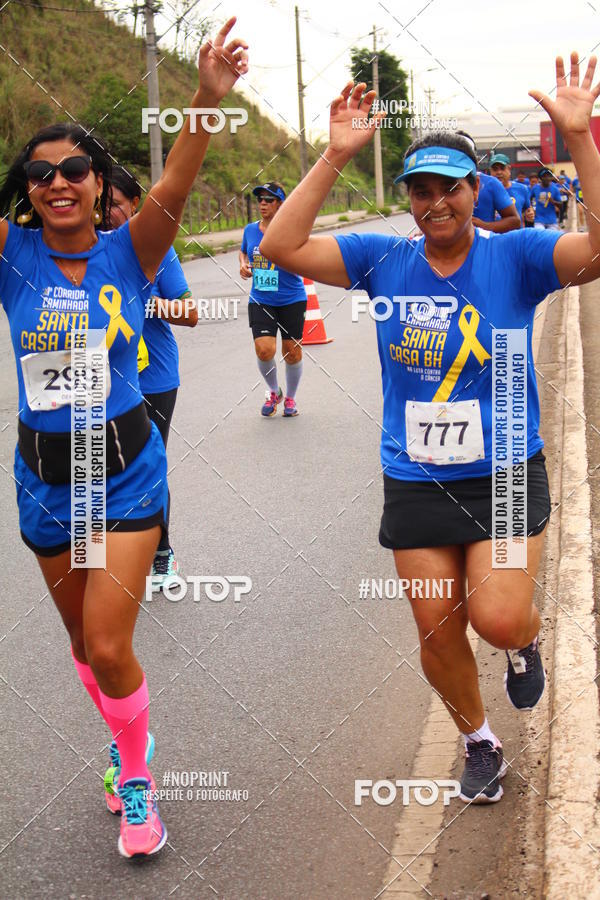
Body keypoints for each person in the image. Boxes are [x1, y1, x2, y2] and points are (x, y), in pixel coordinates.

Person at [260, 52, 600, 804]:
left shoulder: (518, 257)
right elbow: (279, 250)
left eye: (451, 186)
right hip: (417, 476)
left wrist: (579, 140)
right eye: (422, 189)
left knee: (500, 616)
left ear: (475, 191)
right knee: (437, 629)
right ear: (408, 199)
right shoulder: (384, 259)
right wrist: (335, 153)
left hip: (508, 469)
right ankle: (478, 739)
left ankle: (522, 646)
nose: (437, 201)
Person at [0, 17, 247, 855]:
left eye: (75, 169)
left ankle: (138, 781)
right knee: (80, 642)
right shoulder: (12, 259)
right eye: (41, 173)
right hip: (43, 481)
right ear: (27, 188)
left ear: (99, 181)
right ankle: (122, 739)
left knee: (110, 640)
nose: (58, 181)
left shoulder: (131, 251)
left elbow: (176, 182)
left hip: (126, 473)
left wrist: (206, 102)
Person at [107, 166, 197, 591]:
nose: (106, 214)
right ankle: (100, 555)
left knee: (145, 468)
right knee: (95, 467)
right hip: (100, 379)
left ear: (135, 205)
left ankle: (162, 553)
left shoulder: (157, 250)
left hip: (153, 378)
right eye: (100, 204)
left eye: (115, 206)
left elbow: (191, 313)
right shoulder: (86, 251)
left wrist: (141, 303)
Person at [239, 182, 307, 417]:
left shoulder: (293, 229)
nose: (263, 204)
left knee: (292, 352)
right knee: (264, 350)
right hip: (261, 298)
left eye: (269, 200)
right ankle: (273, 391)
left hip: (291, 298)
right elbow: (244, 251)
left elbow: (306, 254)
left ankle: (290, 398)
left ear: (280, 204)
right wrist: (243, 265)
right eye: (260, 200)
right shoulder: (250, 230)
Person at [489, 152, 531, 225]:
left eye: (502, 168)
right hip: (495, 235)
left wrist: (530, 214)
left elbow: (527, 210)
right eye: (495, 169)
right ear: (490, 171)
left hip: (516, 235)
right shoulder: (483, 191)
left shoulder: (522, 189)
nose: (499, 172)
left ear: (509, 169)